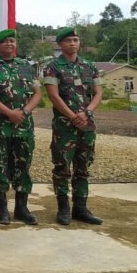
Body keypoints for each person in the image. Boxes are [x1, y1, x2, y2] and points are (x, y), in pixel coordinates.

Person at [0, 29, 42, 226]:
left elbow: (37, 93)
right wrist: (9, 113)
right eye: (5, 42)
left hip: (23, 126)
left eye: (12, 41)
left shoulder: (27, 66)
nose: (9, 44)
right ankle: (2, 209)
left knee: (23, 167)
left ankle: (22, 208)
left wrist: (24, 112)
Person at [43, 27, 104, 226]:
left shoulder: (90, 66)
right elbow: (53, 95)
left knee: (83, 167)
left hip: (87, 125)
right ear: (60, 44)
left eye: (76, 40)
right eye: (68, 40)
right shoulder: (52, 67)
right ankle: (63, 209)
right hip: (64, 126)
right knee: (62, 167)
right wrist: (72, 116)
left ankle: (81, 208)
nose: (73, 43)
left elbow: (98, 93)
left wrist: (86, 113)